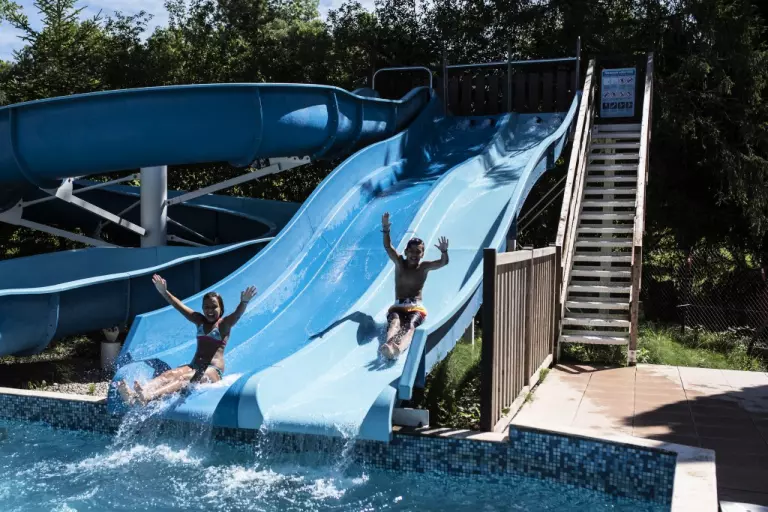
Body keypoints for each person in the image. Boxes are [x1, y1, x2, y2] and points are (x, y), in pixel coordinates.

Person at [116, 274, 257, 405]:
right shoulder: (199, 321)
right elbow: (179, 306)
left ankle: (147, 397)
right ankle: (135, 395)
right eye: (206, 307)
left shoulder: (224, 324)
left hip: (212, 371)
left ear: (221, 309)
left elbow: (237, 314)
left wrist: (244, 302)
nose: (210, 310)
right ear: (202, 308)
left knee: (184, 378)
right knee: (168, 374)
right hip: (193, 365)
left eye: (214, 307)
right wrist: (164, 292)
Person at [380, 212, 449, 359]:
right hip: (398, 306)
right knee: (394, 323)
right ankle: (388, 346)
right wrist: (386, 228)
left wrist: (444, 252)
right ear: (405, 252)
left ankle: (398, 348)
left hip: (416, 307)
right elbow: (388, 247)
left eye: (418, 252)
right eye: (411, 251)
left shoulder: (423, 267)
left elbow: (443, 262)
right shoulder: (399, 262)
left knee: (410, 326)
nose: (414, 254)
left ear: (422, 254)